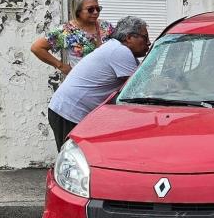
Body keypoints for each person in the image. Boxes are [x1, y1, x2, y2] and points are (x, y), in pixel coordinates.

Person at [47, 16, 151, 150]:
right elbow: (141, 87)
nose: (148, 43)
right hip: (68, 112)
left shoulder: (117, 48)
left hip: (67, 110)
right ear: (129, 37)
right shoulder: (120, 51)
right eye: (145, 37)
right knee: (75, 162)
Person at [30, 0, 114, 75]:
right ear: (78, 11)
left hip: (108, 81)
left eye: (98, 8)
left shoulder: (105, 26)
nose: (96, 12)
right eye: (90, 9)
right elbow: (37, 48)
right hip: (83, 82)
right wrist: (61, 66)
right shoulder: (66, 31)